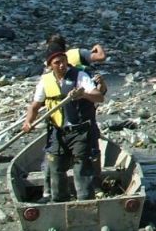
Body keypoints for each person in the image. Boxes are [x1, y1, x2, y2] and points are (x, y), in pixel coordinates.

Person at [23, 42, 105, 201]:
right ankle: (59, 201)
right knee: (55, 167)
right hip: (57, 131)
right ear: (50, 65)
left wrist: (83, 95)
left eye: (63, 61)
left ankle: (85, 201)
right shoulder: (45, 81)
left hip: (80, 131)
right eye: (57, 63)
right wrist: (28, 122)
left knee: (81, 168)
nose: (61, 65)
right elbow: (34, 107)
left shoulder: (80, 76)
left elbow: (99, 97)